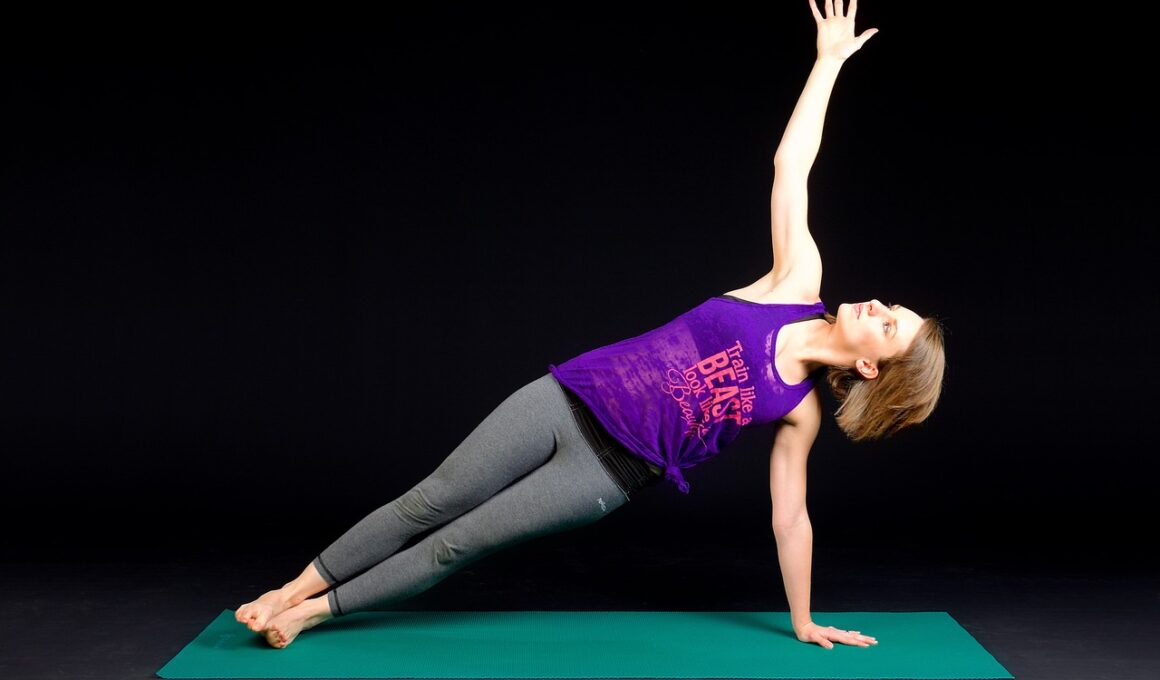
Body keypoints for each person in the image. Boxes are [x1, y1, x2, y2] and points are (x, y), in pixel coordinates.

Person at [235, 0, 944, 651]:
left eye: (889, 328)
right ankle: (289, 590)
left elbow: (791, 519)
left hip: (606, 472)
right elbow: (791, 166)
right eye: (891, 308)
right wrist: (828, 62)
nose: (878, 308)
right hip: (569, 397)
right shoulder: (795, 284)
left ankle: (311, 615)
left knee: (459, 544)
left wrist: (804, 620)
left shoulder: (798, 411)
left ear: (870, 368)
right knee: (431, 499)